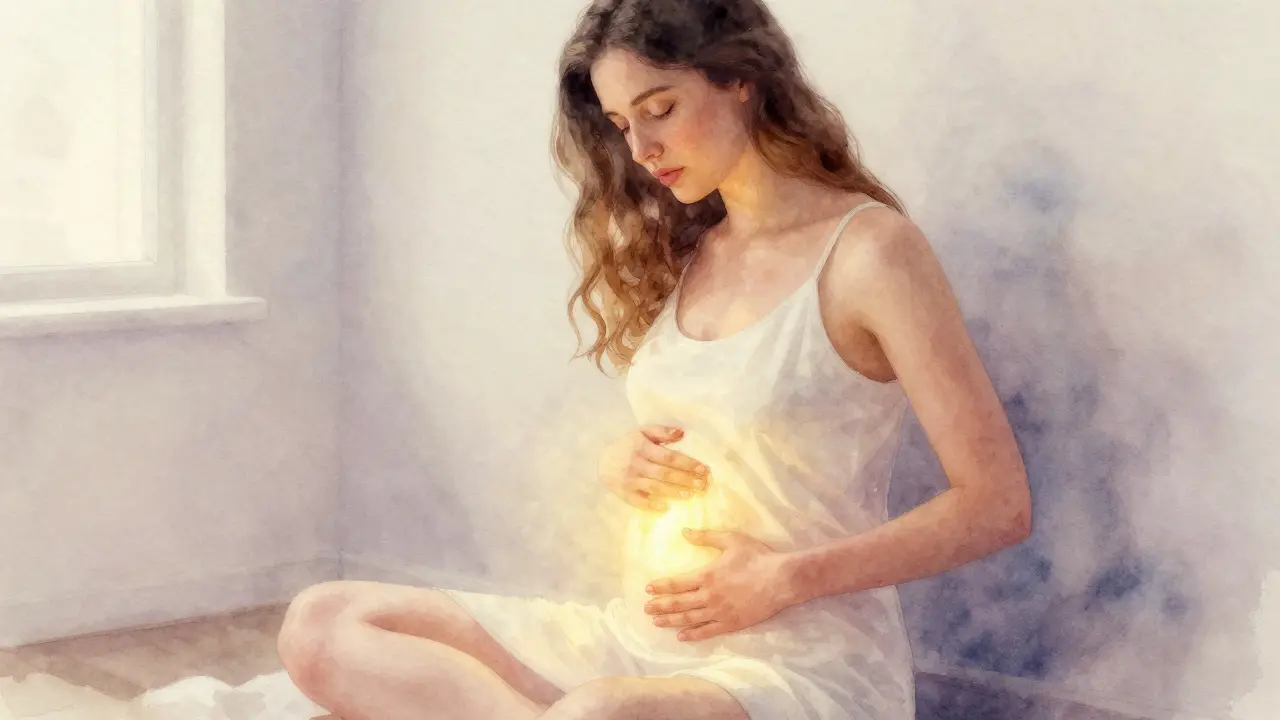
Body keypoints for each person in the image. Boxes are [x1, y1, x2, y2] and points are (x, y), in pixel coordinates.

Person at [276, 0, 1033, 718]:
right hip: (643, 638)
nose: (639, 150)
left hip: (800, 665)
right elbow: (715, 433)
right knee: (323, 622)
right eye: (619, 124)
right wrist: (624, 464)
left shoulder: (872, 253)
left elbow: (996, 504)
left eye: (659, 108)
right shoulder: (695, 247)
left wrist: (783, 578)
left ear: (742, 79)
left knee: (598, 714)